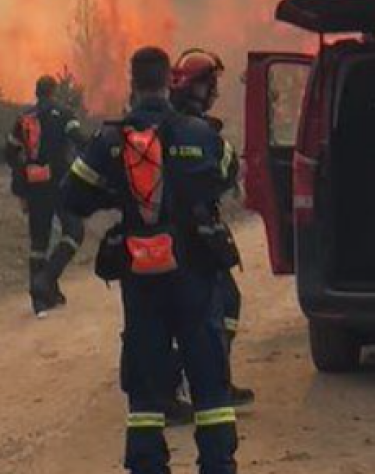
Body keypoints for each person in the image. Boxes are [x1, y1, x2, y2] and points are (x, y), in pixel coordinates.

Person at [64, 47, 239, 474]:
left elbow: (73, 196)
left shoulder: (110, 140)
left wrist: (116, 194)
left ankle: (147, 466)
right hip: (195, 275)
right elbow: (228, 174)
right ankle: (216, 465)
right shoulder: (200, 134)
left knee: (144, 396)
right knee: (210, 387)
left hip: (142, 280)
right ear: (168, 82)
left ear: (132, 84)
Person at [170, 49, 255, 407]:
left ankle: (210, 377)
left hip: (175, 231)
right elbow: (224, 172)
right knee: (216, 304)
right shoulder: (198, 130)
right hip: (195, 233)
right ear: (195, 87)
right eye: (211, 84)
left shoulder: (168, 124)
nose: (214, 91)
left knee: (218, 304)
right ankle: (197, 380)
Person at [5, 75, 88, 317]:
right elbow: (79, 140)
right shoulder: (64, 114)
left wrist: (22, 179)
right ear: (53, 92)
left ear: (37, 92)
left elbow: (10, 153)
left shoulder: (24, 118)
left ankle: (41, 299)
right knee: (74, 231)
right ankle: (47, 278)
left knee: (38, 243)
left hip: (35, 186)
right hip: (61, 184)